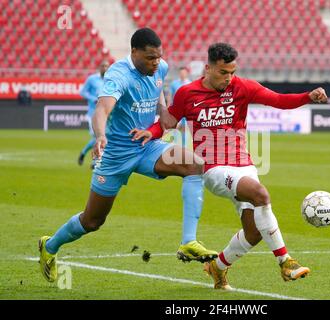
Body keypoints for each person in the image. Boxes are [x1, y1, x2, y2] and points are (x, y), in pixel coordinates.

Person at [131, 43, 328, 290]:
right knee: (261, 194)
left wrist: (307, 97)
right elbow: (168, 121)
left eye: (232, 72)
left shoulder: (242, 87)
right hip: (214, 169)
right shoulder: (187, 93)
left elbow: (278, 100)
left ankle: (218, 267)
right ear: (208, 68)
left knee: (254, 232)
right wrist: (150, 132)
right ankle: (286, 262)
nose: (229, 78)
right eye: (223, 72)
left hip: (244, 165)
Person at [38, 28, 217, 283]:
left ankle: (188, 242)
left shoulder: (161, 67)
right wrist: (100, 136)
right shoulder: (118, 75)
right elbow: (102, 110)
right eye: (150, 58)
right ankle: (50, 245)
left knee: (194, 164)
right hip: (116, 155)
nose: (156, 62)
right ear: (134, 52)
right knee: (92, 220)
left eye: (159, 57)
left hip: (146, 146)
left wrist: (164, 112)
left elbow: (158, 93)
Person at [78, 60, 110, 168]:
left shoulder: (109, 80)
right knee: (97, 137)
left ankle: (84, 154)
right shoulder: (92, 79)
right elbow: (82, 92)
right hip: (92, 113)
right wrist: (93, 99)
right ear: (99, 67)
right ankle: (94, 160)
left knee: (100, 137)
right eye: (103, 66)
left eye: (106, 66)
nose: (105, 68)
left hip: (106, 114)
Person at [166, 66, 191, 148]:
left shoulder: (190, 83)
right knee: (174, 127)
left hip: (186, 110)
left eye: (184, 73)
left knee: (183, 128)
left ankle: (183, 146)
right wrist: (168, 106)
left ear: (186, 73)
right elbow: (170, 95)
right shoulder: (174, 83)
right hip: (176, 109)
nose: (182, 74)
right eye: (181, 73)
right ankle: (174, 144)